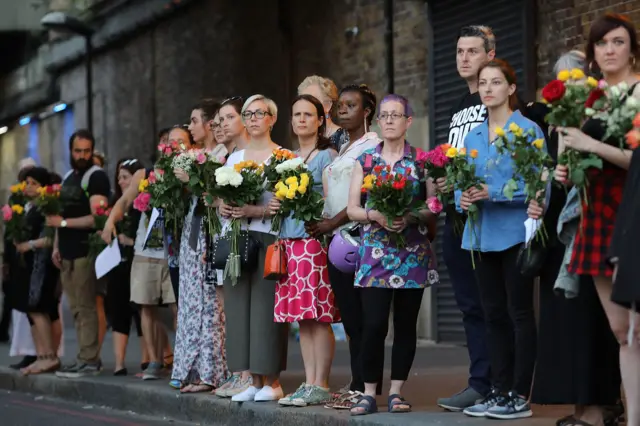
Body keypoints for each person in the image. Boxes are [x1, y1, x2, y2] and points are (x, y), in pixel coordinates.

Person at [528, 51, 623, 426]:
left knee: (594, 322)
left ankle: (600, 408)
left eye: (575, 79)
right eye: (562, 80)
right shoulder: (557, 125)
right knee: (567, 323)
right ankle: (583, 406)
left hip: (594, 228)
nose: (569, 86)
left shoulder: (601, 120)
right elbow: (554, 176)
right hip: (559, 236)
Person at [555, 13, 639, 426]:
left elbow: (636, 160)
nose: (609, 50)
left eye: (618, 42)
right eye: (602, 43)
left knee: (639, 331)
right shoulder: (592, 98)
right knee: (623, 331)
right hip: (597, 215)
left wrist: (589, 143)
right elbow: (586, 158)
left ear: (632, 48)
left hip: (633, 212)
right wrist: (568, 169)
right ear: (591, 53)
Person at [453, 59, 542, 420]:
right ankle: (499, 390)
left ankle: (520, 394)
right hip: (480, 235)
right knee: (492, 315)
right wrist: (461, 195)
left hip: (516, 233)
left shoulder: (528, 129)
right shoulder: (473, 135)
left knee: (519, 312)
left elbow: (540, 185)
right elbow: (463, 179)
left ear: (511, 88)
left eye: (496, 82)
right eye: (484, 83)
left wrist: (494, 192)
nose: (488, 88)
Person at [346, 94, 439, 416]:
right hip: (374, 254)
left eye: (394, 115)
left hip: (412, 253)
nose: (388, 120)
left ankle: (397, 392)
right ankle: (369, 392)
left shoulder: (421, 161)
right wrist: (376, 216)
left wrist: (411, 216)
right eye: (383, 116)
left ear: (407, 121)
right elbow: (352, 209)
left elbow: (433, 204)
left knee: (405, 324)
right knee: (372, 325)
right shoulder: (365, 161)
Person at [306, 83, 381, 409]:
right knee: (350, 318)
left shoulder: (373, 145)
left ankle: (368, 387)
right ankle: (356, 381)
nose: (342, 111)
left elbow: (365, 194)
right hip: (337, 241)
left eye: (351, 106)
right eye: (340, 107)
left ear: (366, 112)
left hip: (363, 237)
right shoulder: (340, 148)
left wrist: (332, 222)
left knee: (368, 318)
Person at [436, 25, 494, 412]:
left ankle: (500, 383)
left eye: (472, 51)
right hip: (455, 216)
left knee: (492, 303)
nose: (464, 58)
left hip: (486, 215)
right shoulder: (460, 103)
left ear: (490, 54)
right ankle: (479, 382)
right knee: (469, 305)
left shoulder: (496, 98)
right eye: (459, 51)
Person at [270, 94, 339, 407]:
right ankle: (308, 380)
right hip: (288, 240)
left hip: (312, 241)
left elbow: (332, 199)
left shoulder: (327, 155)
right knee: (302, 317)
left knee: (318, 314)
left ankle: (321, 382)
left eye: (308, 115)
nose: (301, 120)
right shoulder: (288, 156)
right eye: (296, 114)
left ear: (320, 120)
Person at [219, 94, 289, 403]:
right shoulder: (234, 158)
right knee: (238, 309)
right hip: (236, 238)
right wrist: (224, 205)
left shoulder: (283, 156)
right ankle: (249, 377)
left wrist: (255, 211)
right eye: (248, 114)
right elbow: (219, 195)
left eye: (260, 113)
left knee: (266, 309)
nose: (253, 118)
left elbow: (285, 203)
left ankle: (271, 382)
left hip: (268, 238)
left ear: (272, 119)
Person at [171, 108, 228, 393]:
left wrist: (193, 179)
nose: (190, 126)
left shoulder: (221, 155)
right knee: (192, 301)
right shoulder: (193, 156)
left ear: (208, 123)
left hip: (209, 230)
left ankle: (210, 370)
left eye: (194, 120)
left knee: (210, 305)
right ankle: (191, 367)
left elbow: (215, 195)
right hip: (193, 229)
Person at [48, 129, 111, 378]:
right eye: (78, 150)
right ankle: (84, 357)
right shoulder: (68, 178)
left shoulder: (96, 178)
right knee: (75, 308)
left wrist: (64, 225)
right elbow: (56, 218)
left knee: (86, 308)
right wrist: (56, 245)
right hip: (66, 252)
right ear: (70, 150)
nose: (82, 155)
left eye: (86, 150)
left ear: (92, 150)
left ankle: (90, 360)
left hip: (85, 252)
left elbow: (98, 217)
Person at [11, 167, 61, 374]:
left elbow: (50, 236)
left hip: (41, 265)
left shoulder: (47, 206)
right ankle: (40, 355)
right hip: (28, 266)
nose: (28, 186)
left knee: (39, 308)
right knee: (30, 310)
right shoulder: (27, 206)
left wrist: (29, 244)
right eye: (27, 182)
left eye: (33, 183)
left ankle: (49, 355)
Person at [105, 158, 147, 376]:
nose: (122, 181)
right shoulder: (116, 203)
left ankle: (146, 358)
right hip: (117, 265)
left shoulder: (142, 201)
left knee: (140, 311)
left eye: (126, 177)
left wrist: (129, 240)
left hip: (136, 260)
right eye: (119, 177)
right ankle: (119, 362)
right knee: (117, 311)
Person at [2, 157, 36, 348]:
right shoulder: (15, 197)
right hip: (16, 257)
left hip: (33, 256)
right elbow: (9, 231)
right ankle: (20, 344)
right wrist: (6, 260)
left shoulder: (41, 200)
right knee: (13, 299)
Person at [297, 76, 345, 150]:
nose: (306, 106)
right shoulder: (305, 140)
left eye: (312, 100)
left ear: (328, 105)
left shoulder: (343, 138)